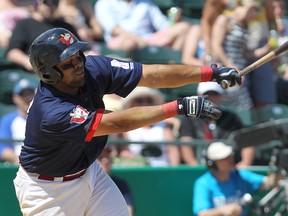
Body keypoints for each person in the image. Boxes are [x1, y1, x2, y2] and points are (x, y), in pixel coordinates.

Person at [13, 27, 240, 216]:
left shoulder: (91, 68)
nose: (78, 64)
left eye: (77, 56)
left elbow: (152, 75)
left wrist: (210, 73)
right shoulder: (51, 111)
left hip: (89, 172)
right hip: (48, 189)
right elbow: (117, 124)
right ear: (49, 73)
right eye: (68, 63)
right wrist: (178, 107)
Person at [211, 0, 273, 110]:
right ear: (250, 9)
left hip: (241, 73)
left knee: (245, 108)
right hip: (225, 71)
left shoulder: (245, 25)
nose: (256, 16)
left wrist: (267, 48)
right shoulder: (224, 20)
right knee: (230, 108)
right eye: (256, 12)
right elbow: (216, 46)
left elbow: (246, 54)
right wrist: (231, 66)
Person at [193, 141, 280, 216]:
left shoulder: (240, 175)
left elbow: (268, 182)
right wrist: (222, 210)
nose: (230, 159)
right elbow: (202, 214)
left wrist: (280, 174)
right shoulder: (203, 183)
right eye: (224, 158)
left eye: (230, 156)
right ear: (213, 163)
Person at [179, 82, 255, 167]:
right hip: (201, 166)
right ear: (199, 95)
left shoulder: (232, 117)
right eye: (206, 95)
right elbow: (186, 143)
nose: (210, 98)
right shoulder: (189, 118)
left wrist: (244, 164)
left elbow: (246, 143)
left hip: (230, 168)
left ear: (221, 96)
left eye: (215, 94)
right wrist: (195, 166)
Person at [5, 0, 80, 72]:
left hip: (69, 68)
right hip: (38, 73)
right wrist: (33, 64)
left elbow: (82, 48)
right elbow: (13, 52)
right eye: (46, 2)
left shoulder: (65, 26)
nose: (51, 5)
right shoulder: (25, 24)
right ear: (37, 3)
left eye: (55, 2)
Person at [94, 0, 191, 51]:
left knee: (184, 27)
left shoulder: (146, 3)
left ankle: (171, 63)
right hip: (121, 41)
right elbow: (114, 31)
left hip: (148, 39)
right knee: (129, 43)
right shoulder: (103, 3)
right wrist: (139, 40)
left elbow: (163, 25)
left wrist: (175, 22)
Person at [118, 87, 179, 167]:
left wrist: (173, 170)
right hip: (137, 170)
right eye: (140, 101)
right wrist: (137, 161)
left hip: (163, 169)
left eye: (149, 101)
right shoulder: (125, 128)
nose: (145, 104)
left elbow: (173, 150)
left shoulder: (163, 126)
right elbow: (124, 151)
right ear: (131, 105)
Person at [0, 79, 36, 164]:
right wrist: (19, 160)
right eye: (23, 95)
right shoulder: (8, 120)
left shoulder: (43, 119)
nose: (27, 98)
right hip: (17, 166)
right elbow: (3, 148)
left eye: (30, 94)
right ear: (15, 98)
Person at [97, 147, 134, 216]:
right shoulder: (87, 183)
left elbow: (128, 210)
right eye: (100, 158)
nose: (105, 160)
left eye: (107, 157)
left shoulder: (120, 184)